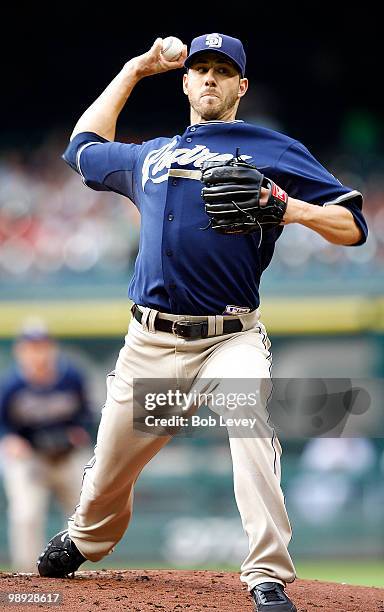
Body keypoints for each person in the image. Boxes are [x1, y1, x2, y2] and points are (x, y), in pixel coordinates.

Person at [37, 33, 367, 612]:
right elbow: (82, 147)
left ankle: (265, 572)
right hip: (150, 346)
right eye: (200, 69)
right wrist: (135, 69)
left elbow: (352, 226)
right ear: (186, 82)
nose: (209, 78)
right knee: (109, 471)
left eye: (222, 70)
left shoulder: (273, 148)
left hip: (228, 342)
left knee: (250, 424)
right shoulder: (151, 155)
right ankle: (85, 537)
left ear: (240, 86)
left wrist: (290, 208)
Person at [0, 320, 93, 572]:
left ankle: (84, 574)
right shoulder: (10, 385)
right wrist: (10, 439)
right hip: (31, 458)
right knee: (26, 515)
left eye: (41, 346)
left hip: (67, 456)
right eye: (31, 347)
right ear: (21, 351)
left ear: (51, 348)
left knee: (85, 514)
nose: (37, 353)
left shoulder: (71, 377)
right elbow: (4, 426)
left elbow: (88, 415)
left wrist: (80, 430)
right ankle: (29, 576)